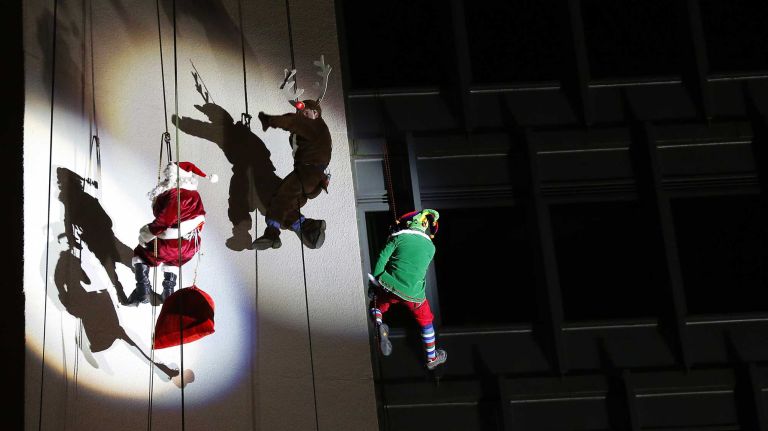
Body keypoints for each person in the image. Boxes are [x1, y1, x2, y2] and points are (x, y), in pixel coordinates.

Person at [126, 161, 216, 306]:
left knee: (141, 254)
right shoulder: (195, 194)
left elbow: (164, 221)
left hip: (171, 244)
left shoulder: (176, 194)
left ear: (176, 177)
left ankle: (142, 291)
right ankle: (168, 294)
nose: (166, 180)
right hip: (190, 247)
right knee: (173, 260)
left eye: (168, 177)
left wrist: (147, 234)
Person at [368, 209, 447, 371]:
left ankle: (378, 323)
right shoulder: (431, 248)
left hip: (390, 285)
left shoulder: (397, 238)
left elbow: (382, 258)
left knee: (377, 305)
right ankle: (431, 357)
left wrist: (375, 282)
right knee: (426, 322)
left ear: (409, 223)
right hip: (414, 294)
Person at [250, 99, 330, 251]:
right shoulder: (314, 129)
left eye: (306, 113)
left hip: (308, 173)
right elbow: (294, 122)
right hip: (312, 178)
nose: (303, 116)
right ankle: (309, 228)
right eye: (302, 113)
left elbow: (293, 122)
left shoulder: (316, 126)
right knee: (285, 205)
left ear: (316, 113)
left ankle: (272, 233)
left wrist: (270, 120)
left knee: (281, 198)